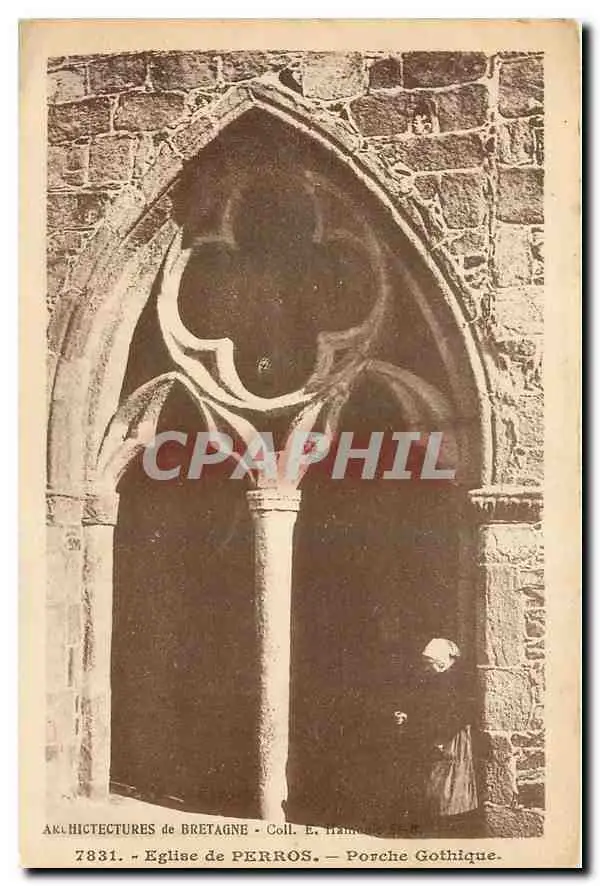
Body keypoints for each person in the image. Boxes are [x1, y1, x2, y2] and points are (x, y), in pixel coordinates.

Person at [393, 638, 478, 836]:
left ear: (440, 661)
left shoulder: (458, 680)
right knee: (436, 784)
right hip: (435, 736)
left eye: (428, 663)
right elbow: (425, 709)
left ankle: (451, 826)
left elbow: (461, 713)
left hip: (451, 738)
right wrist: (407, 716)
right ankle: (437, 823)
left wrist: (443, 737)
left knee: (449, 786)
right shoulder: (434, 678)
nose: (425, 667)